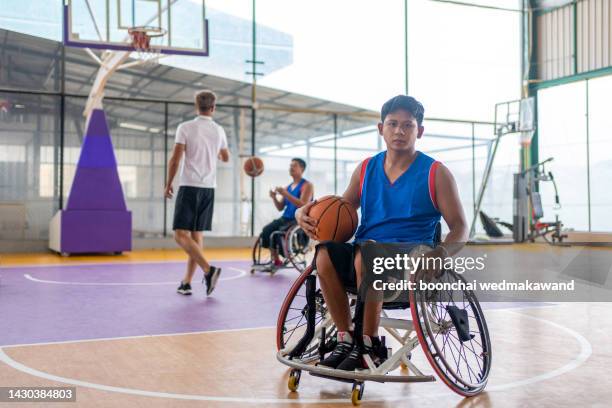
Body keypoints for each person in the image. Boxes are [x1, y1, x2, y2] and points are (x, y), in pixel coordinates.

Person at [296, 95, 469, 371]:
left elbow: (460, 227)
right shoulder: (366, 168)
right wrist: (302, 213)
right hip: (365, 255)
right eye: (392, 124)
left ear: (419, 131)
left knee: (368, 253)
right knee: (325, 254)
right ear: (381, 129)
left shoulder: (436, 173)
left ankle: (370, 343)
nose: (399, 131)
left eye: (408, 125)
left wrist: (441, 254)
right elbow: (341, 211)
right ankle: (345, 338)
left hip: (411, 262)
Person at [165, 90, 230, 296]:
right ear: (213, 108)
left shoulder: (185, 127)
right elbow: (226, 157)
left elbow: (175, 159)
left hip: (189, 186)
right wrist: (215, 151)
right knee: (196, 235)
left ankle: (209, 270)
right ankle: (186, 282)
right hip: (209, 189)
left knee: (179, 235)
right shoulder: (219, 131)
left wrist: (168, 183)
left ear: (196, 106)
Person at [260, 158, 313, 271]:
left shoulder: (307, 185)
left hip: (297, 219)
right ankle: (276, 260)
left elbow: (303, 205)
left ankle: (284, 254)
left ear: (302, 169)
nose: (291, 167)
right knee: (267, 230)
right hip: (285, 217)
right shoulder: (288, 187)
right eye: (290, 165)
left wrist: (285, 194)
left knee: (277, 232)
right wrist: (274, 197)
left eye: (294, 165)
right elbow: (280, 207)